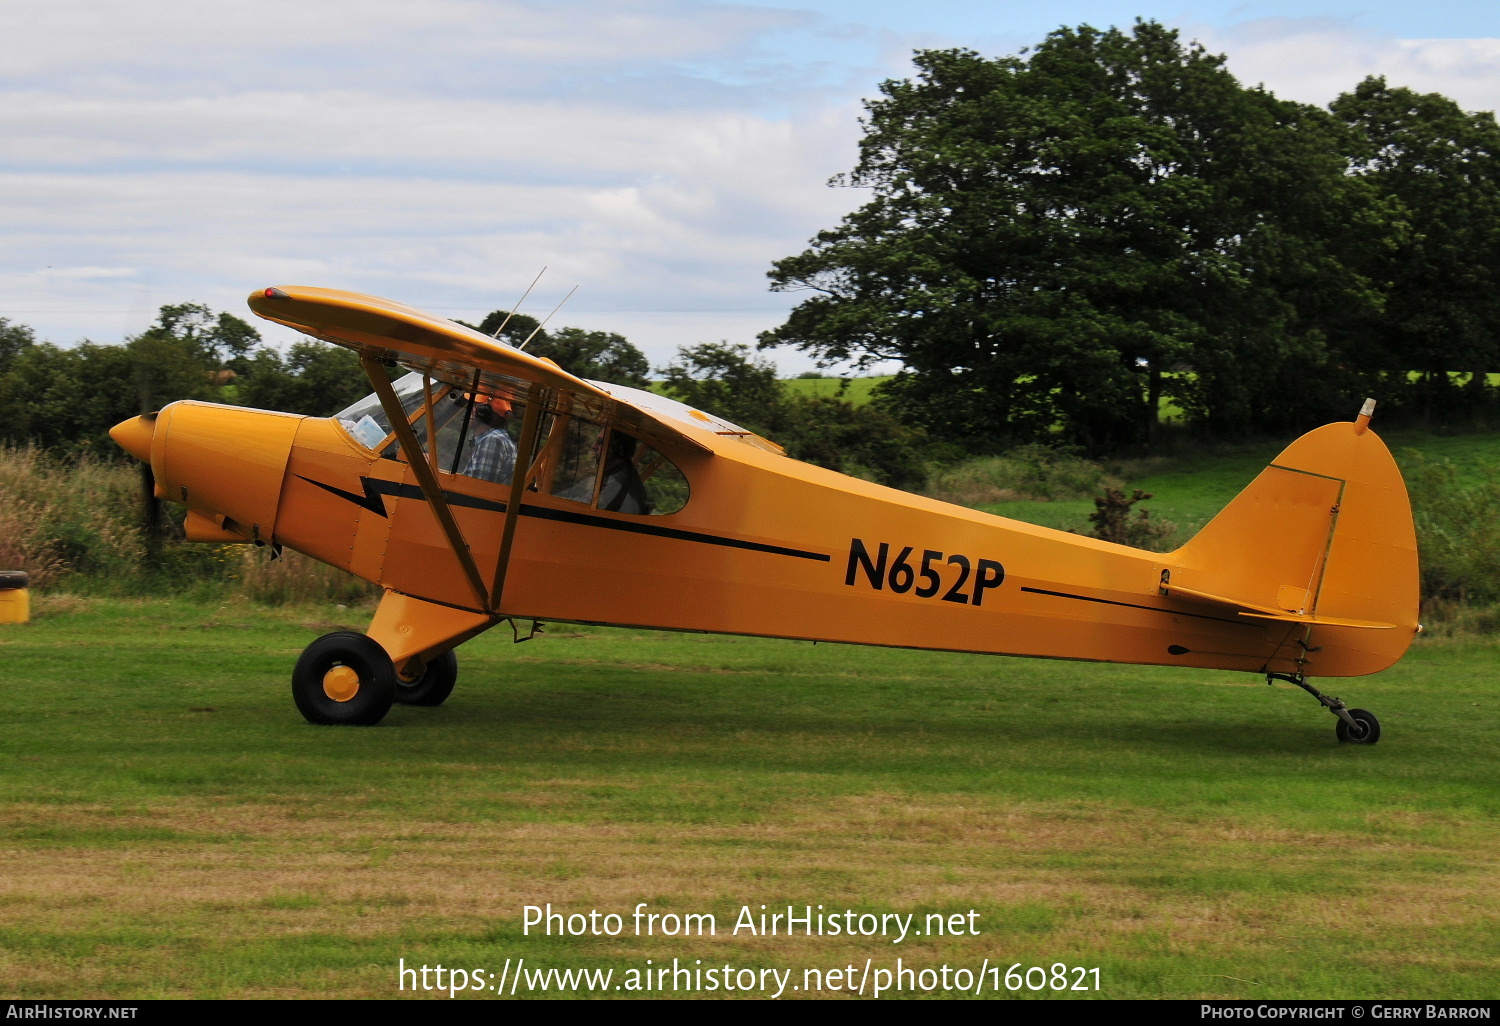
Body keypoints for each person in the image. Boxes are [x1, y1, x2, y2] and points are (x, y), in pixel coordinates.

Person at [463, 396, 518, 484]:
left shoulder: (492, 441)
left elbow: (478, 489)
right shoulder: (496, 439)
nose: (468, 410)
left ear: (482, 413)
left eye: (474, 406)